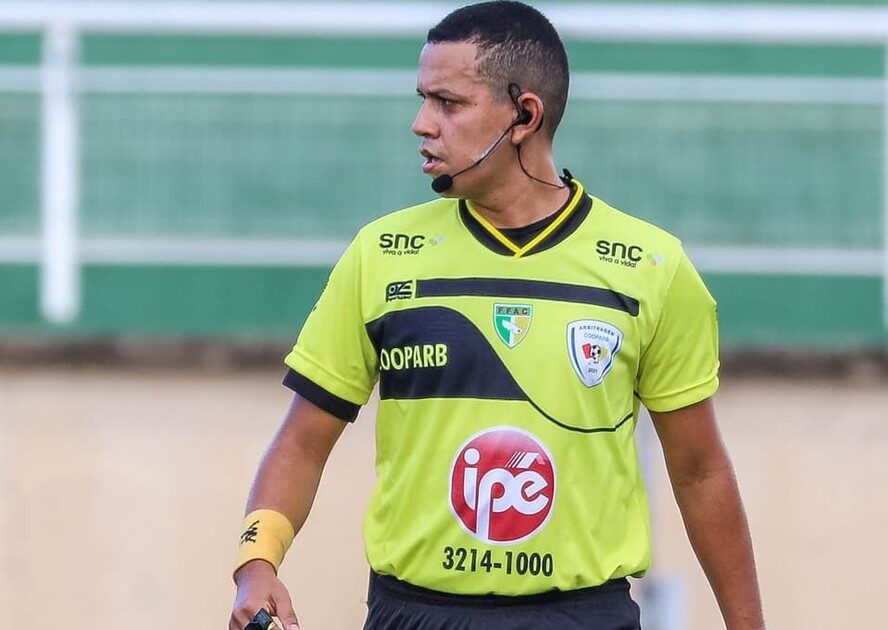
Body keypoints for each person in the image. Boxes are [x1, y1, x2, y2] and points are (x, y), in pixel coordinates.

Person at [229, 2, 765, 629]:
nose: (421, 123)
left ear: (524, 116)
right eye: (423, 100)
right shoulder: (381, 255)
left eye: (448, 103)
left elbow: (700, 471)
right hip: (414, 614)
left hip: (580, 617)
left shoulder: (652, 267)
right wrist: (256, 562)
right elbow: (302, 440)